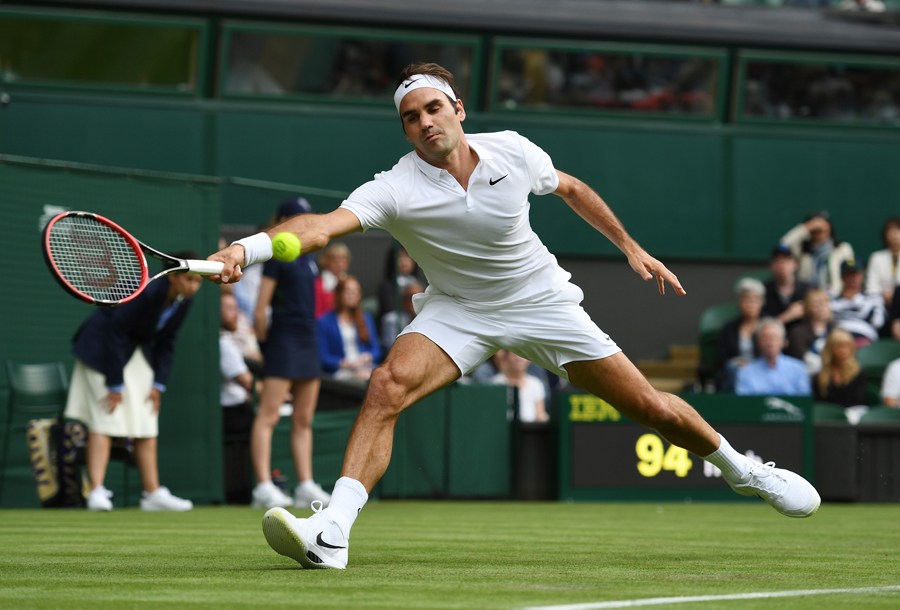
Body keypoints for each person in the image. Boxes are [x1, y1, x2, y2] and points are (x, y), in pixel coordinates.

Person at [209, 63, 820, 570]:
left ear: (458, 110)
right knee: (386, 384)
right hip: (458, 310)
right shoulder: (395, 187)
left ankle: (744, 471)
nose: (424, 123)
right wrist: (247, 249)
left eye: (432, 110)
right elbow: (317, 229)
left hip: (542, 302)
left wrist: (629, 245)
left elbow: (574, 189)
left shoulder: (513, 152)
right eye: (411, 118)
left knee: (651, 408)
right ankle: (333, 532)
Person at [64, 252, 200, 512]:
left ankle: (152, 493)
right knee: (106, 417)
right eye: (189, 280)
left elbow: (167, 343)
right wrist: (114, 385)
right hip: (100, 348)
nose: (194, 286)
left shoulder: (184, 300)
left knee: (147, 414)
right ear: (173, 278)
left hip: (132, 349)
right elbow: (115, 332)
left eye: (198, 281)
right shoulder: (145, 290)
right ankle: (96, 492)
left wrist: (158, 385)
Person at [251, 198, 332, 510]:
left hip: (309, 337)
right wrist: (264, 346)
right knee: (269, 415)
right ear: (283, 219)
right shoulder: (275, 254)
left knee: (303, 418)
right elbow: (261, 310)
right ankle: (263, 486)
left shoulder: (309, 256)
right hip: (283, 338)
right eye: (297, 217)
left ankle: (305, 485)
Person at [220, 291, 256, 504]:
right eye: (230, 309)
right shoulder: (223, 343)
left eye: (236, 308)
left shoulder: (228, 340)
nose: (236, 315)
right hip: (232, 413)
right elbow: (248, 381)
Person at [318, 275, 382, 381]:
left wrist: (367, 357)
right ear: (339, 294)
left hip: (364, 366)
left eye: (356, 291)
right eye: (348, 291)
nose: (352, 294)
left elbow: (376, 350)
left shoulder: (366, 318)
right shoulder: (324, 321)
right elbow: (323, 356)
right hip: (340, 370)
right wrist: (346, 364)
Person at [780, 211, 854, 297]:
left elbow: (852, 269)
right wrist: (806, 228)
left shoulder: (843, 248)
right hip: (807, 297)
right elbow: (782, 246)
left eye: (824, 223)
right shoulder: (801, 250)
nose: (820, 228)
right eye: (815, 226)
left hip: (835, 297)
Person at [735, 318, 811, 397]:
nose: (770, 342)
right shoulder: (746, 372)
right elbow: (743, 405)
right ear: (758, 342)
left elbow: (804, 403)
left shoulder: (798, 369)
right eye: (765, 338)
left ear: (783, 342)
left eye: (774, 337)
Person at [715, 278, 764, 391]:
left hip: (761, 370)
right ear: (739, 303)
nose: (751, 304)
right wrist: (737, 362)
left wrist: (753, 366)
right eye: (746, 299)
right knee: (734, 369)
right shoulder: (729, 328)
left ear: (761, 303)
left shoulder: (767, 327)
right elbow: (721, 358)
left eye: (755, 299)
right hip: (736, 371)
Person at [830, 259, 885, 347]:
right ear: (842, 277)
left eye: (857, 273)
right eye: (849, 274)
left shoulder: (874, 298)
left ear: (863, 275)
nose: (854, 277)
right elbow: (827, 321)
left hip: (864, 340)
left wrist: (855, 299)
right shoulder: (832, 300)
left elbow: (878, 322)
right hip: (838, 341)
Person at [812, 329, 867, 408]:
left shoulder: (859, 374)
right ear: (830, 349)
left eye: (847, 346)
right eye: (839, 347)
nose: (843, 351)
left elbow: (859, 403)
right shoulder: (819, 377)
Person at [785, 289, 835, 375]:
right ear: (808, 307)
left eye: (824, 303)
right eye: (816, 303)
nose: (821, 307)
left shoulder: (835, 331)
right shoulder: (797, 332)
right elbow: (799, 358)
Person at [491, 350, 548, 423]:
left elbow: (540, 416)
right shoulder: (496, 383)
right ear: (506, 357)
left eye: (523, 355)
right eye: (514, 355)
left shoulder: (536, 384)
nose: (518, 358)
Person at [762, 244, 810, 331]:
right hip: (773, 341)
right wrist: (787, 316)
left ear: (795, 264)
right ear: (771, 265)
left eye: (787, 260)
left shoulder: (807, 290)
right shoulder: (764, 291)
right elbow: (761, 325)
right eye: (778, 260)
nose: (782, 264)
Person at [377, 246, 421, 322]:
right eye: (400, 256)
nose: (404, 261)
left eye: (408, 256)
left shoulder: (419, 283)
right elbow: (388, 308)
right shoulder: (386, 285)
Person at [865, 216, 900, 309]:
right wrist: (883, 294)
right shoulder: (876, 258)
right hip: (880, 303)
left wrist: (895, 295)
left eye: (897, 230)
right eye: (891, 231)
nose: (894, 235)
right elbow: (871, 286)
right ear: (885, 234)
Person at [381, 281, 424, 353]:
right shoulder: (391, 320)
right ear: (403, 300)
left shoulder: (426, 319)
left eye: (420, 297)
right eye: (411, 297)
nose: (416, 301)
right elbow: (392, 349)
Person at [314, 242, 352, 318]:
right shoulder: (318, 284)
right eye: (335, 259)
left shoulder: (351, 283)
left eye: (343, 259)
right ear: (326, 261)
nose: (339, 264)